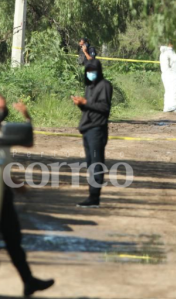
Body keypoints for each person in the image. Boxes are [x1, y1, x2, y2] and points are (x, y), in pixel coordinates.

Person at [0, 93, 55, 297]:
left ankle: (28, 281)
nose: (1, 111)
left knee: (13, 239)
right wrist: (15, 183)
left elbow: (27, 142)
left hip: (3, 193)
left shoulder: (4, 130)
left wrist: (27, 118)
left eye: (3, 107)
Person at [71, 59, 113, 208]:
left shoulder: (105, 86)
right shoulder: (89, 87)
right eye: (88, 71)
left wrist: (86, 103)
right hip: (87, 129)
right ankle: (92, 195)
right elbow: (89, 109)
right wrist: (80, 104)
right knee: (90, 163)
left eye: (93, 71)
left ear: (99, 71)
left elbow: (104, 107)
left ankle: (94, 197)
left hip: (97, 129)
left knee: (96, 163)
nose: (90, 74)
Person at [159, 41, 176, 113]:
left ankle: (167, 107)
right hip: (171, 73)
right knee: (175, 90)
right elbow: (175, 59)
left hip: (166, 74)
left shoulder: (164, 52)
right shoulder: (169, 51)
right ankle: (172, 107)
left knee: (168, 91)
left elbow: (174, 58)